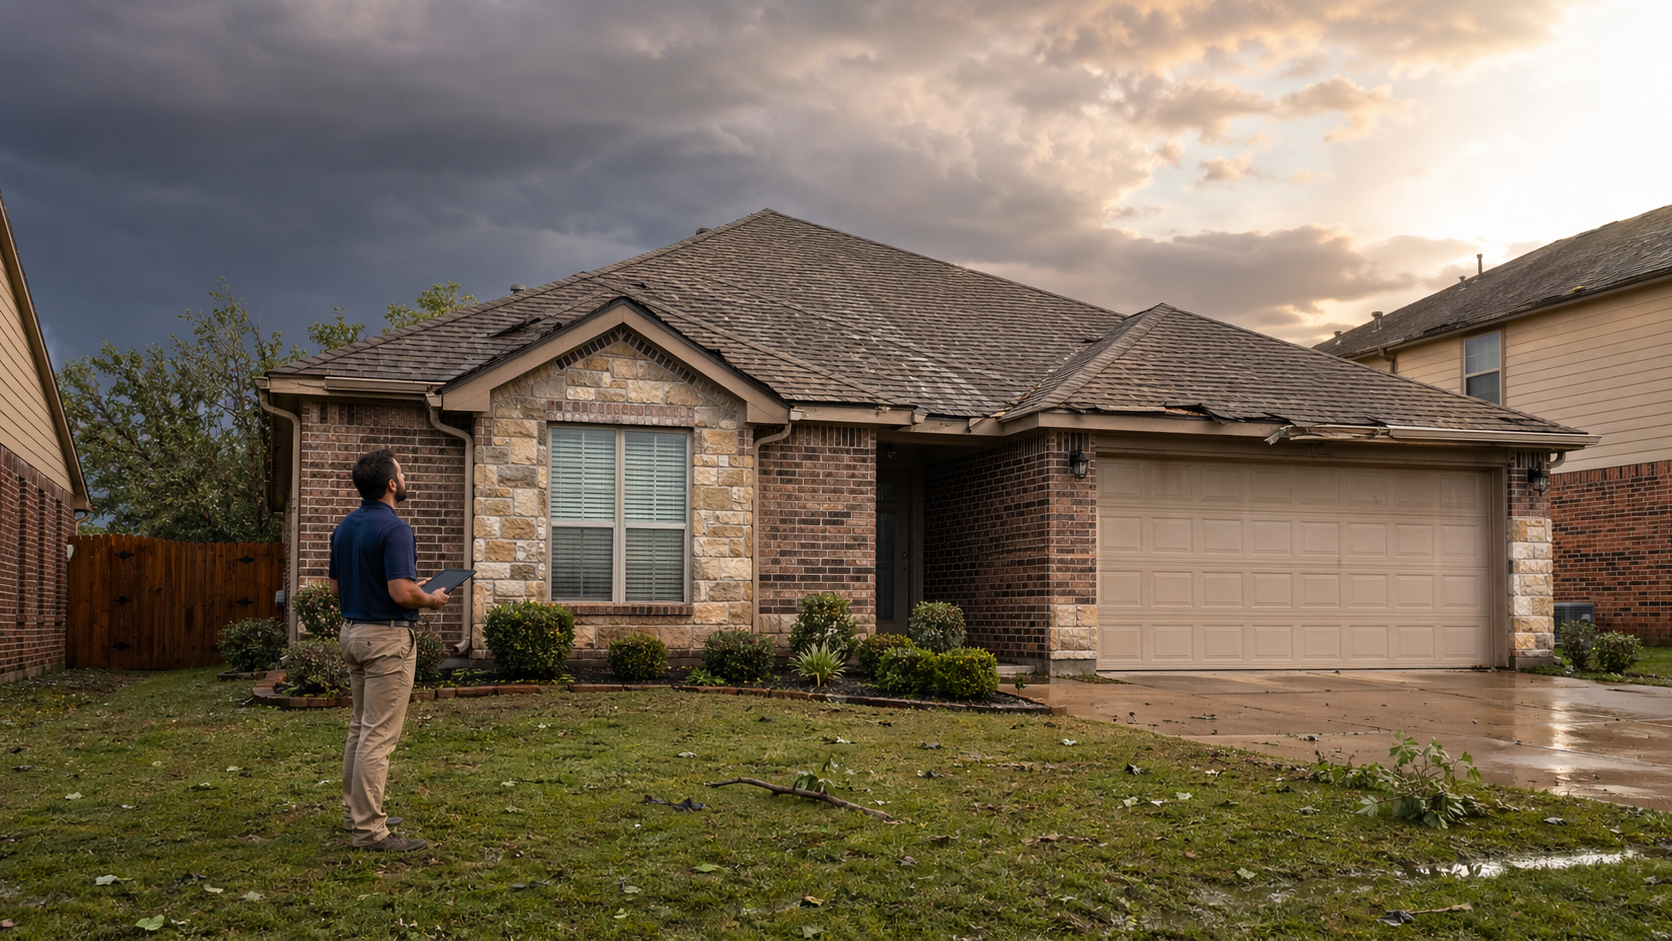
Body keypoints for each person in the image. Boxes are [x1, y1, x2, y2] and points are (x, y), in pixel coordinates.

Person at [328, 449, 453, 852]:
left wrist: (409, 591)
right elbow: (401, 593)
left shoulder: (345, 527)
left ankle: (356, 814)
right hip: (386, 640)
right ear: (392, 484)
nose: (405, 474)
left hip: (352, 633)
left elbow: (335, 590)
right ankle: (369, 831)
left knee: (361, 728)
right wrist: (431, 600)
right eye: (402, 470)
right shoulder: (396, 529)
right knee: (378, 737)